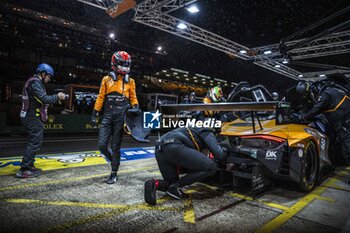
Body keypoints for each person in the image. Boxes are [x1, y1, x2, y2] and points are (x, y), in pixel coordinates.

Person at [91, 51, 139, 184]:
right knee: (102, 145)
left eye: (127, 64)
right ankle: (113, 160)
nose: (125, 67)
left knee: (116, 146)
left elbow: (133, 97)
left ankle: (114, 173)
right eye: (123, 64)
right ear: (115, 63)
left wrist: (136, 106)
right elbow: (100, 97)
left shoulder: (131, 81)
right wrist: (95, 113)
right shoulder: (106, 79)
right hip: (107, 116)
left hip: (120, 117)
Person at [144, 127, 226, 205]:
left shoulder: (191, 130)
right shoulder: (208, 131)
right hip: (175, 145)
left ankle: (153, 184)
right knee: (211, 167)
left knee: (171, 184)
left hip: (159, 148)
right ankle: (177, 186)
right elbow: (220, 154)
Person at [17, 63, 66, 178]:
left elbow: (41, 100)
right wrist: (57, 97)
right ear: (43, 74)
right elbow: (43, 98)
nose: (49, 79)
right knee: (35, 142)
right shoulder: (35, 83)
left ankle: (29, 165)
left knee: (34, 142)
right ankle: (24, 169)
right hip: (32, 116)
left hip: (30, 115)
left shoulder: (34, 82)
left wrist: (53, 100)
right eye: (49, 76)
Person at [297, 80, 350, 164]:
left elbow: (316, 109)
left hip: (343, 119)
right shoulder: (331, 90)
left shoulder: (325, 94)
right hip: (344, 117)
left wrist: (303, 117)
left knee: (346, 140)